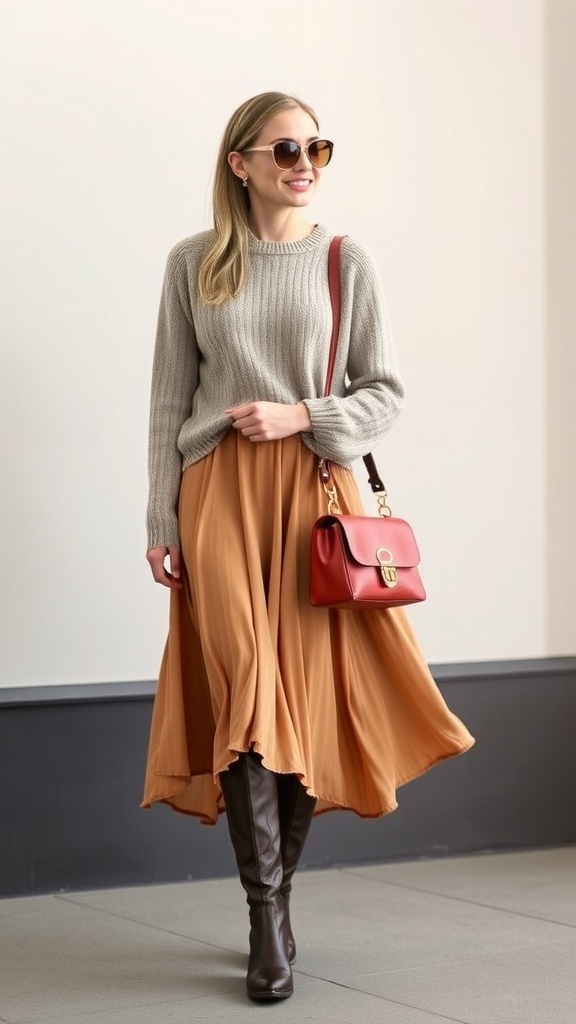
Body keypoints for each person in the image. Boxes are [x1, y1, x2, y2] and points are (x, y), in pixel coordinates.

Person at [142, 90, 474, 1003]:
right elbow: (171, 402)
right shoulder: (193, 264)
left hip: (312, 501)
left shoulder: (343, 258)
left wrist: (304, 415)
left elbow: (387, 391)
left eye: (318, 147)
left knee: (295, 705)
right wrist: (159, 520)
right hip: (218, 499)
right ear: (240, 162)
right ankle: (265, 914)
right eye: (285, 147)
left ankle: (272, 904)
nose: (304, 161)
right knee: (248, 692)